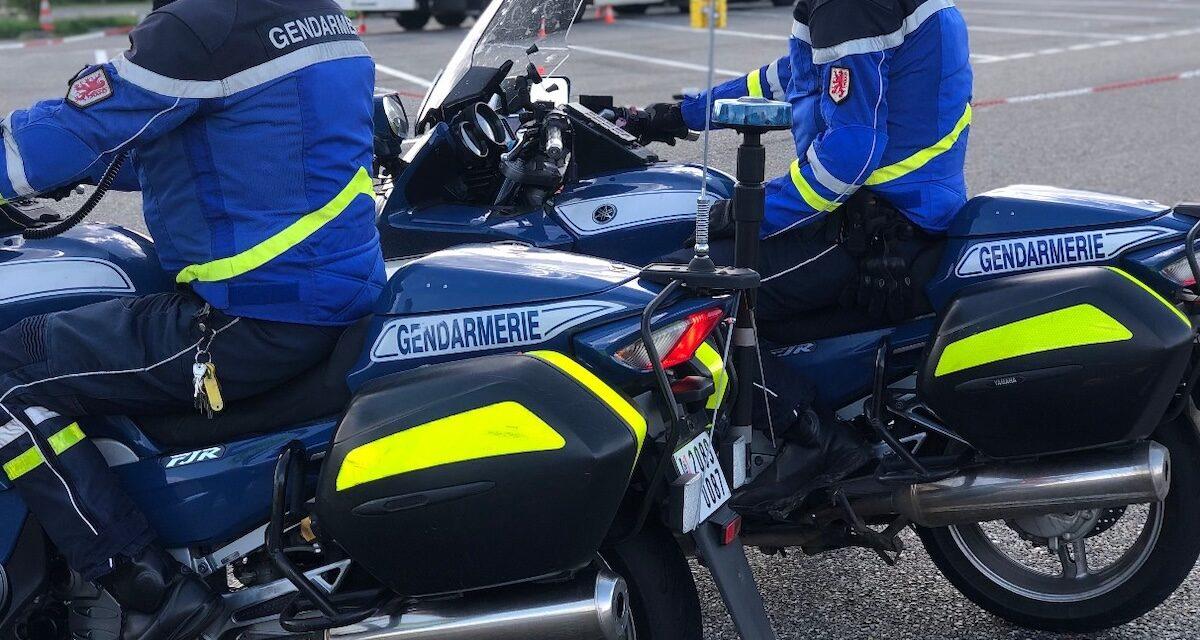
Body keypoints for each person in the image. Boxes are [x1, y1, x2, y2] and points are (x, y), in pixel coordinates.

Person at [0, 0, 385, 637]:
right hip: (330, 293)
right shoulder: (316, 11)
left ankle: (141, 584)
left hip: (254, 317)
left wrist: (36, 159)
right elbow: (217, 134)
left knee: (8, 367)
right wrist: (66, 166)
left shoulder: (202, 26)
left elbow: (81, 128)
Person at [628, 0, 972, 514]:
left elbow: (850, 154)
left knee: (680, 298)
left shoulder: (847, 6)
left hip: (875, 225)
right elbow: (795, 75)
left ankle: (812, 440)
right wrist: (681, 113)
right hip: (897, 209)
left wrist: (751, 212)